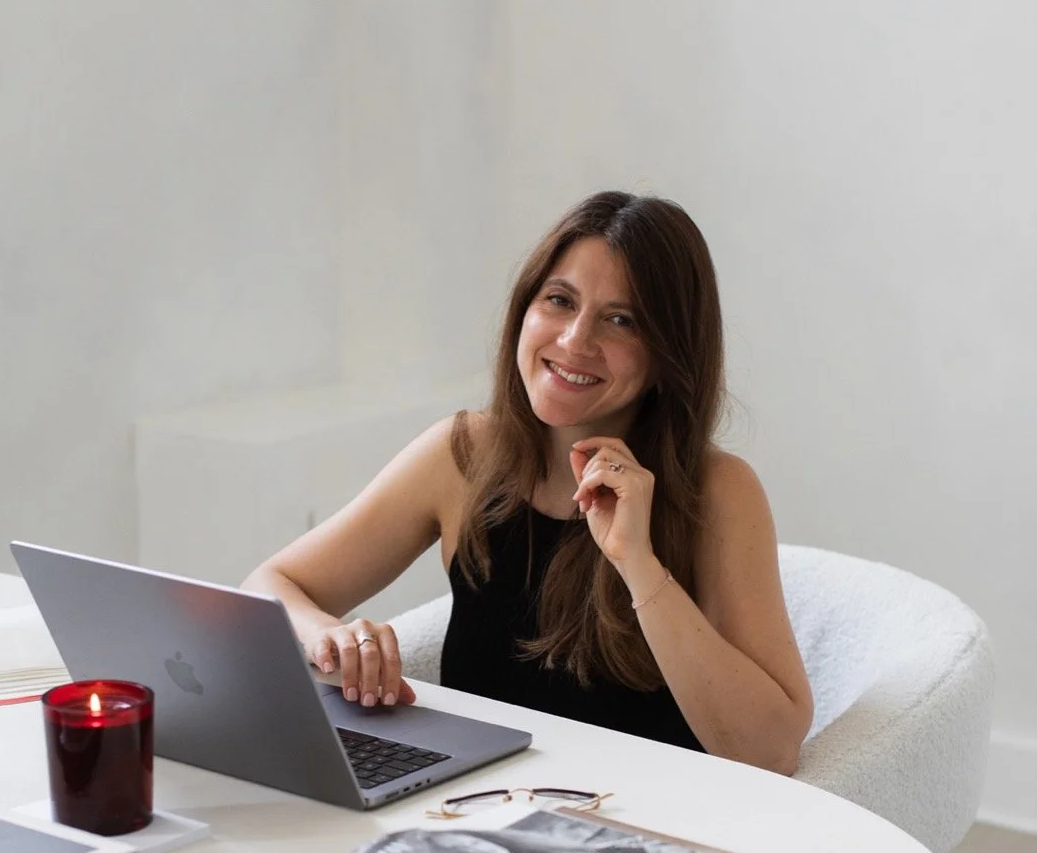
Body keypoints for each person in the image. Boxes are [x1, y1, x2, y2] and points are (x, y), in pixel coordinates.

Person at [242, 190, 813, 775]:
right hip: (474, 814)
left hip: (640, 827)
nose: (574, 341)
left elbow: (768, 752)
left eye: (621, 320)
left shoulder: (717, 490)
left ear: (668, 355)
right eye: (559, 301)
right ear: (525, 310)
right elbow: (268, 586)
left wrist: (638, 563)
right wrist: (331, 638)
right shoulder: (461, 456)